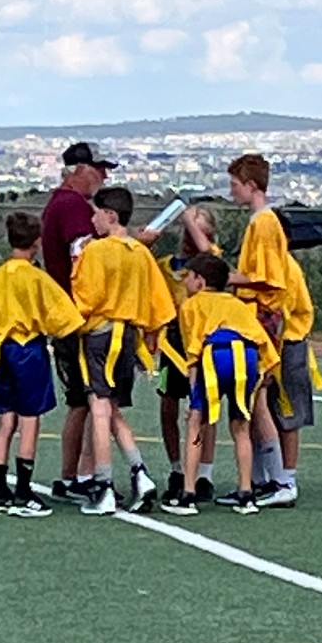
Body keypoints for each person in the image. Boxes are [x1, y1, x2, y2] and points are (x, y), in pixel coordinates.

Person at [0, 210, 85, 518]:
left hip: (0, 349)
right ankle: (23, 490)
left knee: (5, 420)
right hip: (29, 349)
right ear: (37, 242)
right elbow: (65, 318)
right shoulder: (36, 278)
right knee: (30, 419)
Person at [70, 186, 176, 516]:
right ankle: (139, 472)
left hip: (100, 334)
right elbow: (160, 302)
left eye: (96, 213)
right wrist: (150, 336)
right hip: (129, 335)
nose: (92, 219)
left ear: (110, 216)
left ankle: (103, 485)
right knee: (112, 408)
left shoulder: (97, 252)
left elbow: (84, 299)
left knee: (99, 408)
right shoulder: (141, 253)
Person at [162, 254, 280, 517]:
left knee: (196, 421)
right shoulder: (237, 304)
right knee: (240, 426)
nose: (186, 283)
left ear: (200, 282)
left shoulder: (192, 306)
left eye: (189, 278)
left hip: (215, 354)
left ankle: (188, 494)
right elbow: (260, 339)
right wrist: (267, 370)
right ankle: (246, 494)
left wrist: (194, 393)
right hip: (247, 356)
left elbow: (193, 350)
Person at [40, 142, 117, 503]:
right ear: (79, 169)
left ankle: (76, 474)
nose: (103, 177)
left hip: (69, 313)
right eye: (99, 169)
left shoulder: (62, 203)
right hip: (76, 315)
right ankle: (72, 476)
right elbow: (82, 253)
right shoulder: (71, 205)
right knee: (83, 399)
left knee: (83, 401)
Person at [225, 153, 292, 508]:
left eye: (235, 185)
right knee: (253, 400)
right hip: (255, 314)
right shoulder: (259, 221)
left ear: (251, 186)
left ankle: (279, 480)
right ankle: (265, 478)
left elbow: (266, 277)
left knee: (258, 399)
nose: (231, 191)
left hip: (262, 315)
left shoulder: (263, 223)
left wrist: (226, 276)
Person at [156, 205, 223, 504]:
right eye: (186, 231)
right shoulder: (166, 266)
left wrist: (188, 217)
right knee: (169, 405)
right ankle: (176, 469)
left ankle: (204, 473)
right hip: (174, 344)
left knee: (205, 409)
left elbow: (208, 253)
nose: (189, 238)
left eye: (196, 232)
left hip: (202, 342)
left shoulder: (210, 263)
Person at [265, 248, 322, 509]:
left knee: (287, 413)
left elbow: (278, 312)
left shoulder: (283, 266)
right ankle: (270, 476)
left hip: (286, 343)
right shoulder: (270, 263)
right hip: (273, 342)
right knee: (267, 411)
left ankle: (287, 479)